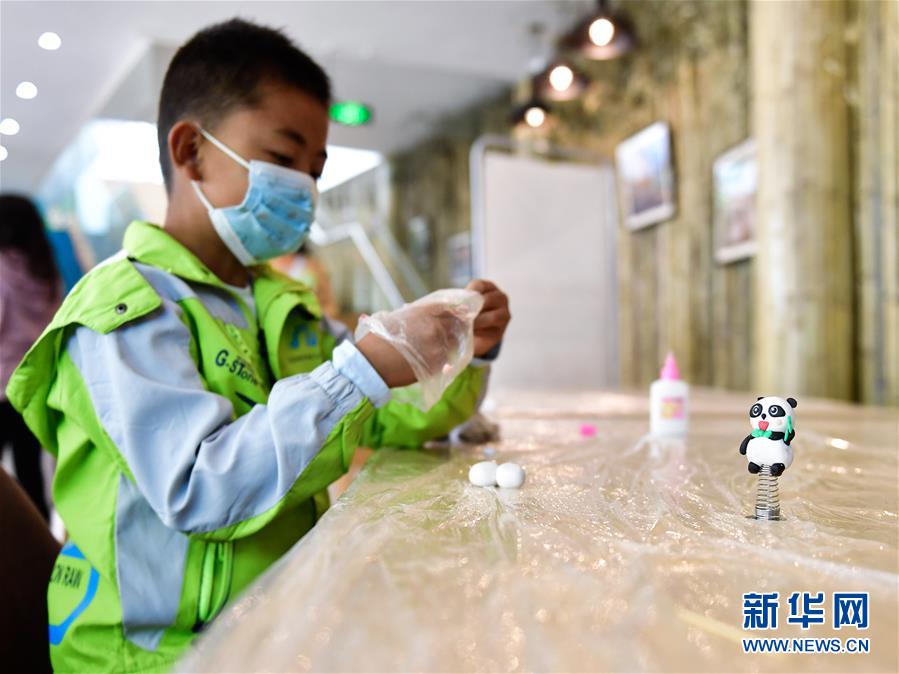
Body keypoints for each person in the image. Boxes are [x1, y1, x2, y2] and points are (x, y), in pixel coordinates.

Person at [5, 18, 510, 672]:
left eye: (315, 170)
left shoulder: (282, 305)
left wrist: (464, 352)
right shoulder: (123, 311)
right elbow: (199, 489)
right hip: (157, 654)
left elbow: (401, 417)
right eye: (282, 159)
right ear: (191, 150)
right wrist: (358, 370)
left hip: (275, 621)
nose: (304, 190)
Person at [0, 194, 62, 521]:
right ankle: (38, 541)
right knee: (30, 474)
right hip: (33, 388)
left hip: (1, 386)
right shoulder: (46, 271)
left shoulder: (2, 267)